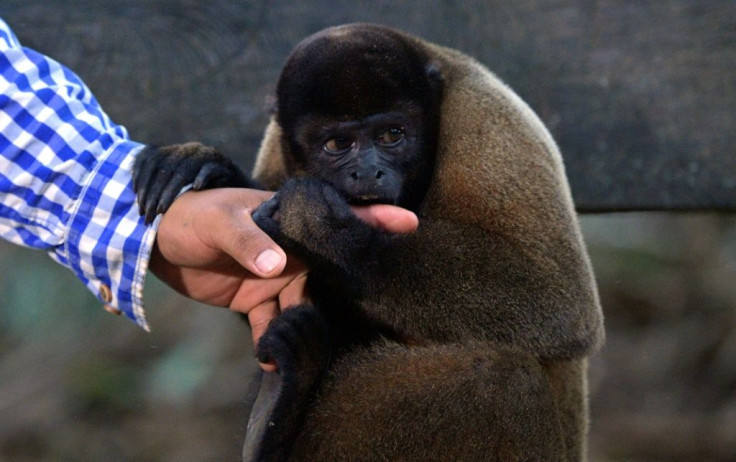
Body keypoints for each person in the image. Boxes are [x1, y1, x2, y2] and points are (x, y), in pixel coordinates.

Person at [0, 18, 418, 369]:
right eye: (338, 145)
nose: (371, 171)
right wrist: (206, 199)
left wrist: (360, 249)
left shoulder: (470, 131)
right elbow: (278, 287)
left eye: (393, 135)